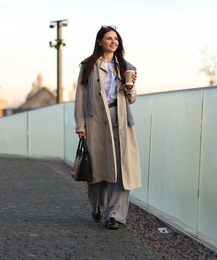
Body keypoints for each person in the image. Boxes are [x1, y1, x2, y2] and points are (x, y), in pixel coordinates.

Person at [74, 25, 141, 230]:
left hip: (120, 120)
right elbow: (80, 97)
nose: (113, 41)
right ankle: (97, 206)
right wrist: (80, 125)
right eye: (109, 38)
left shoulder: (126, 66)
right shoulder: (88, 66)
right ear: (99, 41)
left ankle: (114, 216)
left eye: (116, 39)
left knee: (121, 170)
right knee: (97, 170)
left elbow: (132, 99)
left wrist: (130, 87)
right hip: (95, 122)